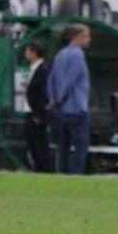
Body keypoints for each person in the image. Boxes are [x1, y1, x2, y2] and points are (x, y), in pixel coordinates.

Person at [47, 24, 91, 176]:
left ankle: (62, 172)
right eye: (86, 36)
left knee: (63, 144)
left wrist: (53, 99)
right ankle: (76, 173)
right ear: (77, 37)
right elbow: (71, 80)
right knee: (81, 143)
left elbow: (51, 79)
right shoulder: (78, 55)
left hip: (62, 109)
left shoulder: (60, 54)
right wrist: (61, 98)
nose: (89, 40)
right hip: (76, 107)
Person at [22, 39, 50, 172]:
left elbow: (43, 93)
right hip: (30, 111)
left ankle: (43, 168)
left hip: (36, 113)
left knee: (39, 144)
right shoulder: (33, 69)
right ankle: (37, 168)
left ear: (34, 52)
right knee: (32, 143)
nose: (25, 54)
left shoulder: (43, 69)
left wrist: (38, 113)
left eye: (27, 51)